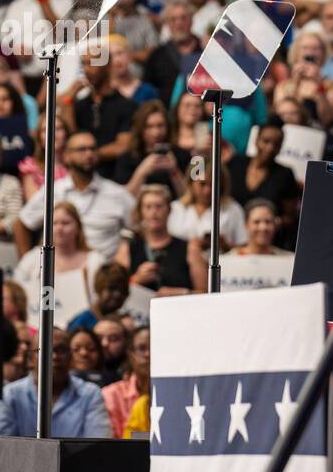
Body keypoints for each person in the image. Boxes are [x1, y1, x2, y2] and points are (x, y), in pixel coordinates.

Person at [0, 328, 110, 454]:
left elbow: (99, 446)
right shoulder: (10, 394)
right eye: (44, 349)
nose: (54, 356)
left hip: (76, 471)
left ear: (71, 356)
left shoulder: (90, 393)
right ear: (30, 358)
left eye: (61, 350)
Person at [15, 131, 135, 261]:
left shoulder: (117, 193)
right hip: (59, 273)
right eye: (81, 149)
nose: (89, 154)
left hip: (103, 275)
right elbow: (21, 223)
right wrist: (27, 262)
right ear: (67, 156)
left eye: (92, 149)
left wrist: (124, 251)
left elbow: (139, 228)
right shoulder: (52, 191)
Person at [13, 201, 106, 331]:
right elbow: (17, 294)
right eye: (54, 223)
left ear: (78, 227)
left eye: (65, 223)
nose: (59, 228)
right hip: (35, 327)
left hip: (83, 329)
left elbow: (102, 300)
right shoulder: (31, 259)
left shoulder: (95, 260)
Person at [116, 184, 204, 296]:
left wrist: (182, 293)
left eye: (159, 206)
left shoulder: (190, 248)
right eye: (148, 207)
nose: (154, 212)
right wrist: (136, 280)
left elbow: (205, 293)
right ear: (140, 212)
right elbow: (114, 288)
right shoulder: (128, 248)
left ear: (169, 210)